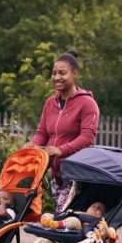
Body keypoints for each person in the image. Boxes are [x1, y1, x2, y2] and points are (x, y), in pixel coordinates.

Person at [23, 50, 100, 213]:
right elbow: (42, 132)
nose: (57, 77)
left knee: (61, 216)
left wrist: (61, 150)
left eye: (62, 73)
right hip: (55, 171)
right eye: (54, 73)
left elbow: (87, 137)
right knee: (63, 217)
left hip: (76, 171)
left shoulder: (87, 103)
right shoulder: (50, 103)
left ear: (75, 74)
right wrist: (34, 144)